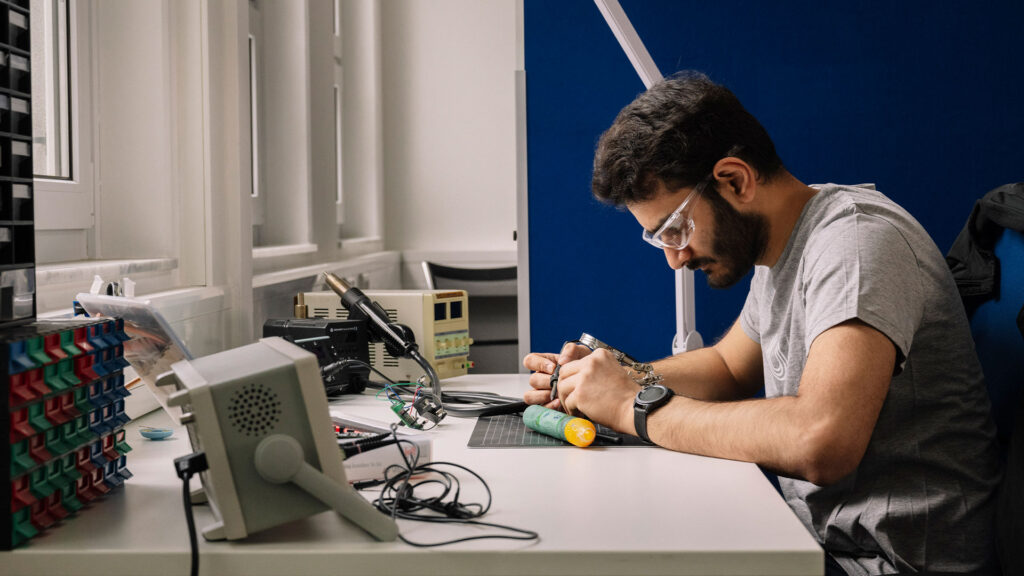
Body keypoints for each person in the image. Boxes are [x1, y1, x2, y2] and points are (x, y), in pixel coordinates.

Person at [522, 72, 1001, 576]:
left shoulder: (856, 244)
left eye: (675, 228)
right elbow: (729, 367)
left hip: (893, 563)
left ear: (735, 180)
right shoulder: (782, 248)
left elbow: (820, 440)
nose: (675, 257)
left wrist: (629, 406)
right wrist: (614, 377)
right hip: (827, 544)